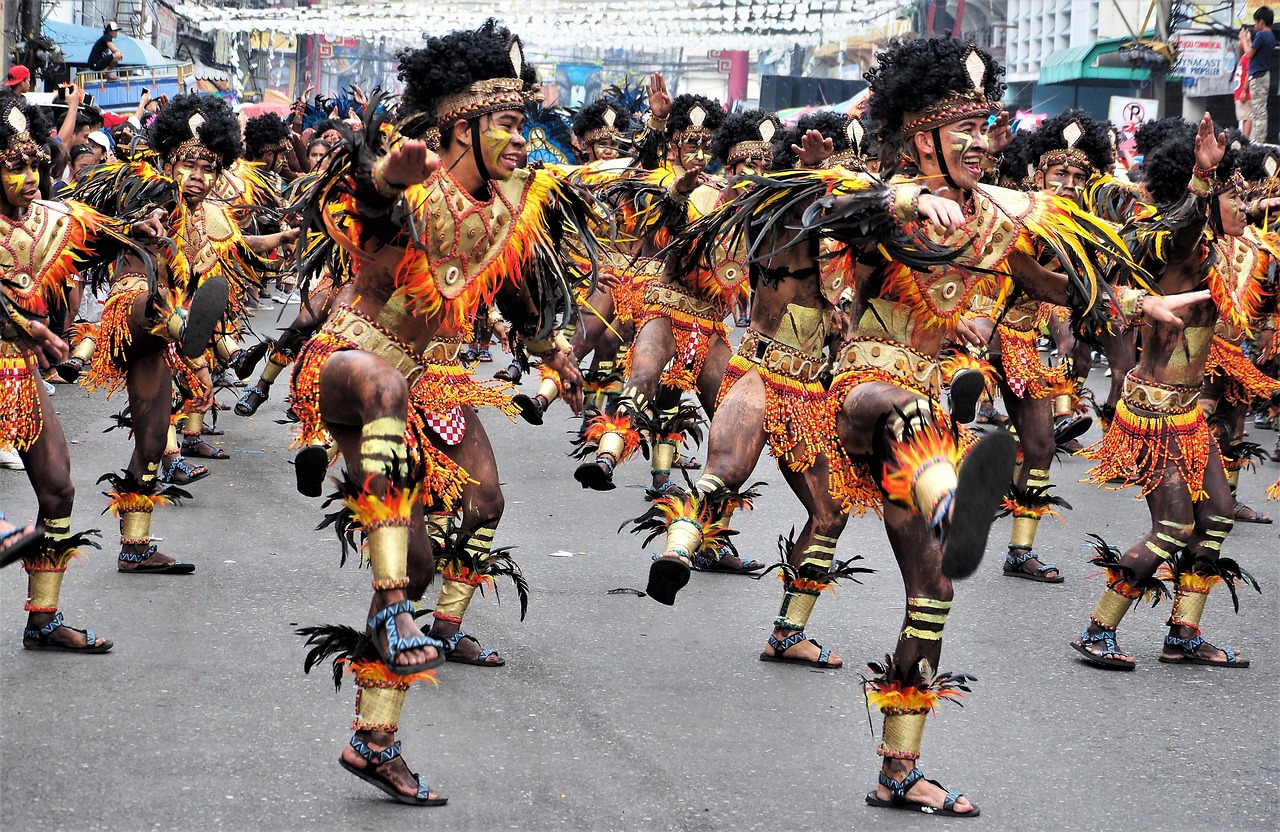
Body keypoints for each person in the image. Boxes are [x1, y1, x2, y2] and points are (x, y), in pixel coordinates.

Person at [291, 20, 594, 805]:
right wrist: (388, 180)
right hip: (354, 363)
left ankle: (374, 737)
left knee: (431, 551)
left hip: (434, 384)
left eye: (522, 123)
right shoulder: (412, 184)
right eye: (504, 123)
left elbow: (521, 287)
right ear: (460, 125)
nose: (521, 139)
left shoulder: (515, 206)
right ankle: (394, 610)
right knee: (387, 393)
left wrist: (552, 346)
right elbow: (366, 209)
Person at [1075, 114, 1264, 670]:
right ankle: (1098, 627)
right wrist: (1202, 182)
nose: (1248, 209)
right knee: (1174, 528)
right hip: (1155, 411)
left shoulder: (1231, 251)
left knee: (1218, 516)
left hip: (1187, 410)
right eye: (1239, 197)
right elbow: (1180, 230)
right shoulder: (1179, 247)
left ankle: (1183, 632)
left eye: (1252, 198)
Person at [0, 91, 163, 651]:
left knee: (59, 489)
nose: (25, 177)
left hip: (18, 376)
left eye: (31, 164)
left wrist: (134, 234)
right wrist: (30, 328)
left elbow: (99, 235)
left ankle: (42, 620)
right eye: (10, 166)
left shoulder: (52, 218)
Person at [1245, 7, 1275, 141]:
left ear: (1261, 22)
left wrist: (1244, 39)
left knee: (1259, 111)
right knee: (1260, 108)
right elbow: (1256, 51)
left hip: (1258, 76)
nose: (1255, 25)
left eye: (1256, 22)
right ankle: (1259, 139)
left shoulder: (1261, 35)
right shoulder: (1271, 36)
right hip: (1264, 74)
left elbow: (1249, 54)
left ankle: (1259, 141)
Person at [1235, 28, 1253, 138]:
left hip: (1244, 94)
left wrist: (1244, 90)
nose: (1238, 42)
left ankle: (1245, 138)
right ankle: (1244, 137)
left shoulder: (1248, 57)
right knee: (1243, 117)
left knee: (1246, 116)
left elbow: (1248, 73)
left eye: (1240, 39)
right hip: (1240, 92)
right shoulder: (1244, 57)